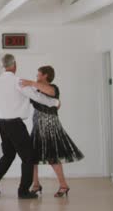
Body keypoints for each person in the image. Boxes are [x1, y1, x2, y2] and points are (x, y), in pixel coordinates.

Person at [0, 54, 60, 199]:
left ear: (3, 66)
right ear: (14, 65)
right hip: (15, 124)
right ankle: (23, 191)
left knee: (8, 155)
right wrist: (55, 103)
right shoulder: (18, 82)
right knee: (28, 157)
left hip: (1, 124)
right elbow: (37, 97)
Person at [21, 66, 85, 197]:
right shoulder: (36, 89)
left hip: (50, 127)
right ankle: (36, 184)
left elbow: (51, 93)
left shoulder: (53, 87)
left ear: (45, 76)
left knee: (53, 157)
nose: (36, 77)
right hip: (37, 126)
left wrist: (32, 83)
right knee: (31, 157)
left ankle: (63, 185)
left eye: (38, 75)